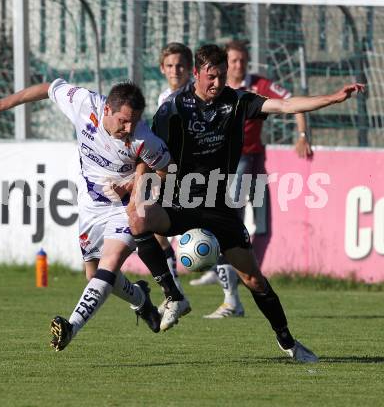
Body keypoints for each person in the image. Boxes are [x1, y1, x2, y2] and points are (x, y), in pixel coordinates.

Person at [127, 44, 364, 362]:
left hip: (218, 205)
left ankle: (289, 343)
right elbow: (147, 150)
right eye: (211, 77)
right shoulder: (174, 108)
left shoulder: (237, 102)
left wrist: (332, 99)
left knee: (254, 279)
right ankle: (173, 295)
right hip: (180, 200)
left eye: (222, 76)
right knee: (139, 218)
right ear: (196, 74)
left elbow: (285, 105)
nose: (217, 83)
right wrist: (139, 191)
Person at [0, 78, 189, 351]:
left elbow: (167, 171)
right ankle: (141, 299)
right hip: (90, 205)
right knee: (93, 275)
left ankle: (70, 327)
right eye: (123, 121)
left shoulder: (145, 140)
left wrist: (136, 184)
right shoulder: (84, 103)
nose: (129, 128)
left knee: (109, 264)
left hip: (124, 208)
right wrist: (1, 104)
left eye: (134, 122)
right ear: (107, 109)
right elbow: (48, 88)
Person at [198, 40, 314, 319]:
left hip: (250, 160)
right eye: (234, 61)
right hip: (226, 163)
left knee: (258, 223)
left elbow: (292, 103)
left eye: (242, 61)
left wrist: (301, 135)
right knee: (227, 220)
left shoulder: (258, 86)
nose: (239, 65)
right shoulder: (216, 90)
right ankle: (226, 274)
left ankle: (237, 272)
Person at [155, 42, 193, 313]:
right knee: (157, 232)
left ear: (190, 69)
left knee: (213, 236)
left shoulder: (196, 96)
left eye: (180, 65)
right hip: (170, 173)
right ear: (162, 68)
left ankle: (232, 299)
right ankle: (176, 293)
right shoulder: (162, 98)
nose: (175, 70)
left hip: (197, 175)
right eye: (169, 65)